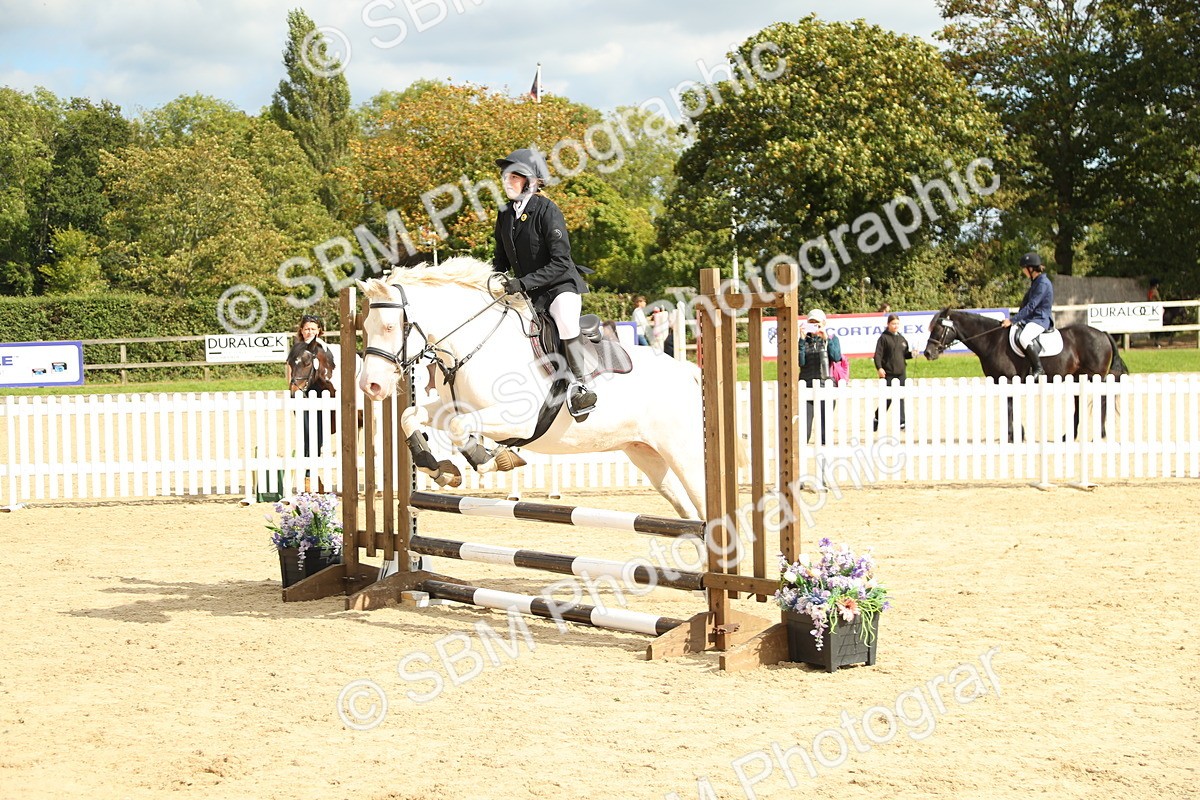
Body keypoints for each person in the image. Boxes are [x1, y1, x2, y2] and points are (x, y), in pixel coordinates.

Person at [493, 148, 597, 417]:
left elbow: (561, 262)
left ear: (530, 180)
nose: (506, 181)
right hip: (528, 292)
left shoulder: (547, 210)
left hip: (560, 287)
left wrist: (523, 282)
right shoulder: (505, 214)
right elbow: (500, 261)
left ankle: (580, 387)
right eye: (505, 176)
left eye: (513, 176)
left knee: (563, 317)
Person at [285, 314, 336, 490]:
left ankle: (310, 473)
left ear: (319, 331)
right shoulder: (296, 348)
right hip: (301, 395)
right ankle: (308, 474)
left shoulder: (325, 348)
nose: (310, 331)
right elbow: (290, 370)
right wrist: (293, 391)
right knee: (307, 434)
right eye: (307, 328)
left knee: (320, 435)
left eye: (313, 329)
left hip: (321, 395)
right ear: (301, 330)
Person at [1001, 252, 1054, 378]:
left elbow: (1031, 306)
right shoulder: (1036, 282)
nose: (1023, 272)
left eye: (1024, 269)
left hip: (1040, 319)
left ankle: (1039, 368)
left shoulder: (1043, 283)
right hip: (1031, 319)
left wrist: (1013, 320)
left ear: (1030, 269)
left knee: (1024, 338)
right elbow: (1025, 304)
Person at [798, 308, 842, 445]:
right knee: (804, 427)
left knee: (825, 428)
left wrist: (826, 339)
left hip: (825, 385)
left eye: (817, 323)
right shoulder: (803, 341)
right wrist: (801, 340)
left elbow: (836, 357)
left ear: (823, 323)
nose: (814, 326)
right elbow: (801, 362)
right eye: (811, 323)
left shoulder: (832, 339)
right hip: (807, 384)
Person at [872, 313, 916, 432]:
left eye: (897, 323)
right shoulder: (883, 338)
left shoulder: (902, 338)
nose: (895, 326)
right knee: (887, 398)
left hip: (901, 372)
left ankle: (901, 422)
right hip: (888, 373)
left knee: (900, 397)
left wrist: (912, 354)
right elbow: (878, 355)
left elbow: (905, 354)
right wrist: (879, 368)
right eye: (893, 324)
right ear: (888, 324)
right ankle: (877, 418)